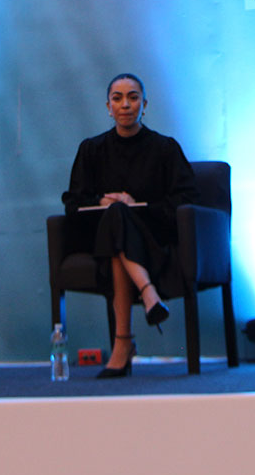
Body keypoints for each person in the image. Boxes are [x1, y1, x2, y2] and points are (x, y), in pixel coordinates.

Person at [62, 73, 197, 378]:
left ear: (144, 105)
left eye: (133, 98)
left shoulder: (165, 148)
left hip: (152, 237)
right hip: (102, 238)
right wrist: (102, 202)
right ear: (108, 107)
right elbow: (73, 202)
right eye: (118, 98)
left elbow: (186, 197)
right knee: (114, 218)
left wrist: (136, 205)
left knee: (119, 225)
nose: (125, 105)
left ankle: (123, 344)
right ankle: (148, 294)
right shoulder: (91, 149)